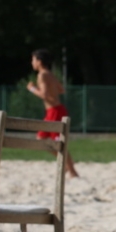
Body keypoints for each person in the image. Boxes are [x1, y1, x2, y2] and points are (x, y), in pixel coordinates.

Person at [26, 49, 78, 178]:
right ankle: (68, 165)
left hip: (54, 111)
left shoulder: (42, 75)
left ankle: (71, 170)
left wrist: (32, 89)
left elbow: (44, 95)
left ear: (39, 61)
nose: (32, 62)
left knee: (55, 143)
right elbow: (61, 90)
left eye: (33, 59)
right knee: (43, 140)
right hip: (55, 110)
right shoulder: (50, 74)